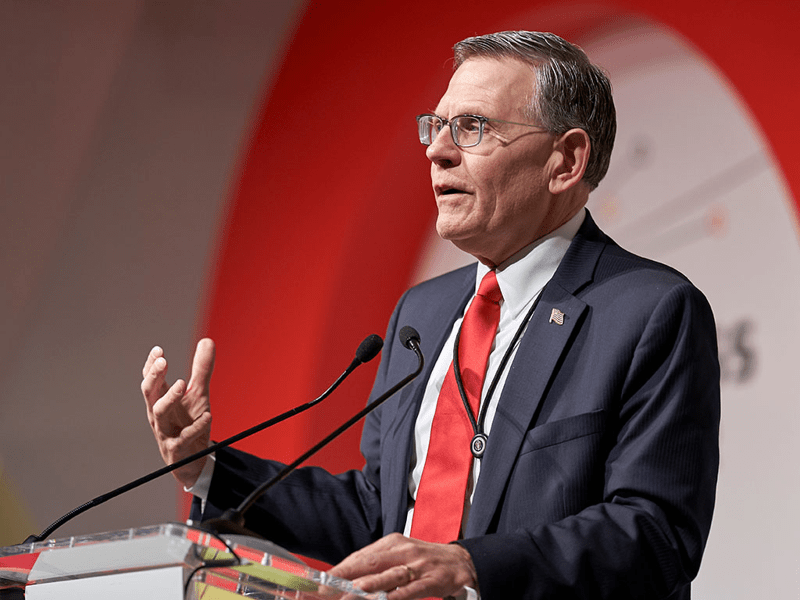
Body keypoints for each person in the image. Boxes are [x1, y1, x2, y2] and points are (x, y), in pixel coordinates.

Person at [141, 31, 719, 600]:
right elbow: (379, 513)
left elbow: (656, 533)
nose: (437, 150)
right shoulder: (425, 310)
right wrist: (207, 466)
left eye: (473, 128)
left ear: (565, 161)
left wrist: (471, 567)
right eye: (437, 126)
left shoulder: (649, 310)